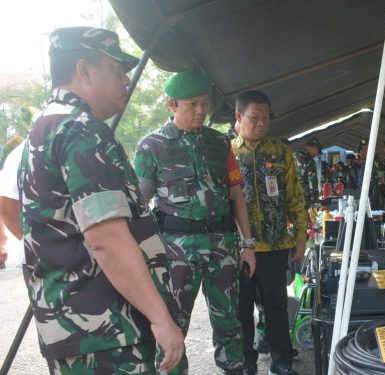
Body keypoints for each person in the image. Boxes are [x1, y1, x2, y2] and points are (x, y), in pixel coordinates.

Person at [18, 26, 184, 374]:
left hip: (75, 333)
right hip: (112, 335)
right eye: (117, 68)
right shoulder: (82, 130)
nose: (126, 79)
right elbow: (107, 239)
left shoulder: (42, 131)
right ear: (83, 70)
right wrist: (160, 319)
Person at [133, 70, 256, 375]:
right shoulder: (151, 146)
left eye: (205, 103)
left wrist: (248, 245)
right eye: (192, 104)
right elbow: (138, 205)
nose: (201, 111)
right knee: (173, 326)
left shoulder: (220, 143)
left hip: (222, 246)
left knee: (229, 321)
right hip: (175, 250)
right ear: (171, 104)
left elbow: (236, 194)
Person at [232, 90, 307, 375]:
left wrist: (301, 236)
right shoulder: (227, 152)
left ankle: (281, 363)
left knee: (276, 307)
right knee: (241, 312)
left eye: (266, 117)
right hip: (240, 248)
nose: (261, 123)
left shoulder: (280, 152)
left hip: (275, 245)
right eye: (255, 117)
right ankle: (246, 363)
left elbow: (295, 197)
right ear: (239, 117)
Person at [295, 138, 322, 208]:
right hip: (304, 196)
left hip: (291, 194)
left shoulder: (293, 156)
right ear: (315, 148)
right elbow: (313, 182)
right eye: (317, 152)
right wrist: (315, 198)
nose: (316, 154)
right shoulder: (309, 162)